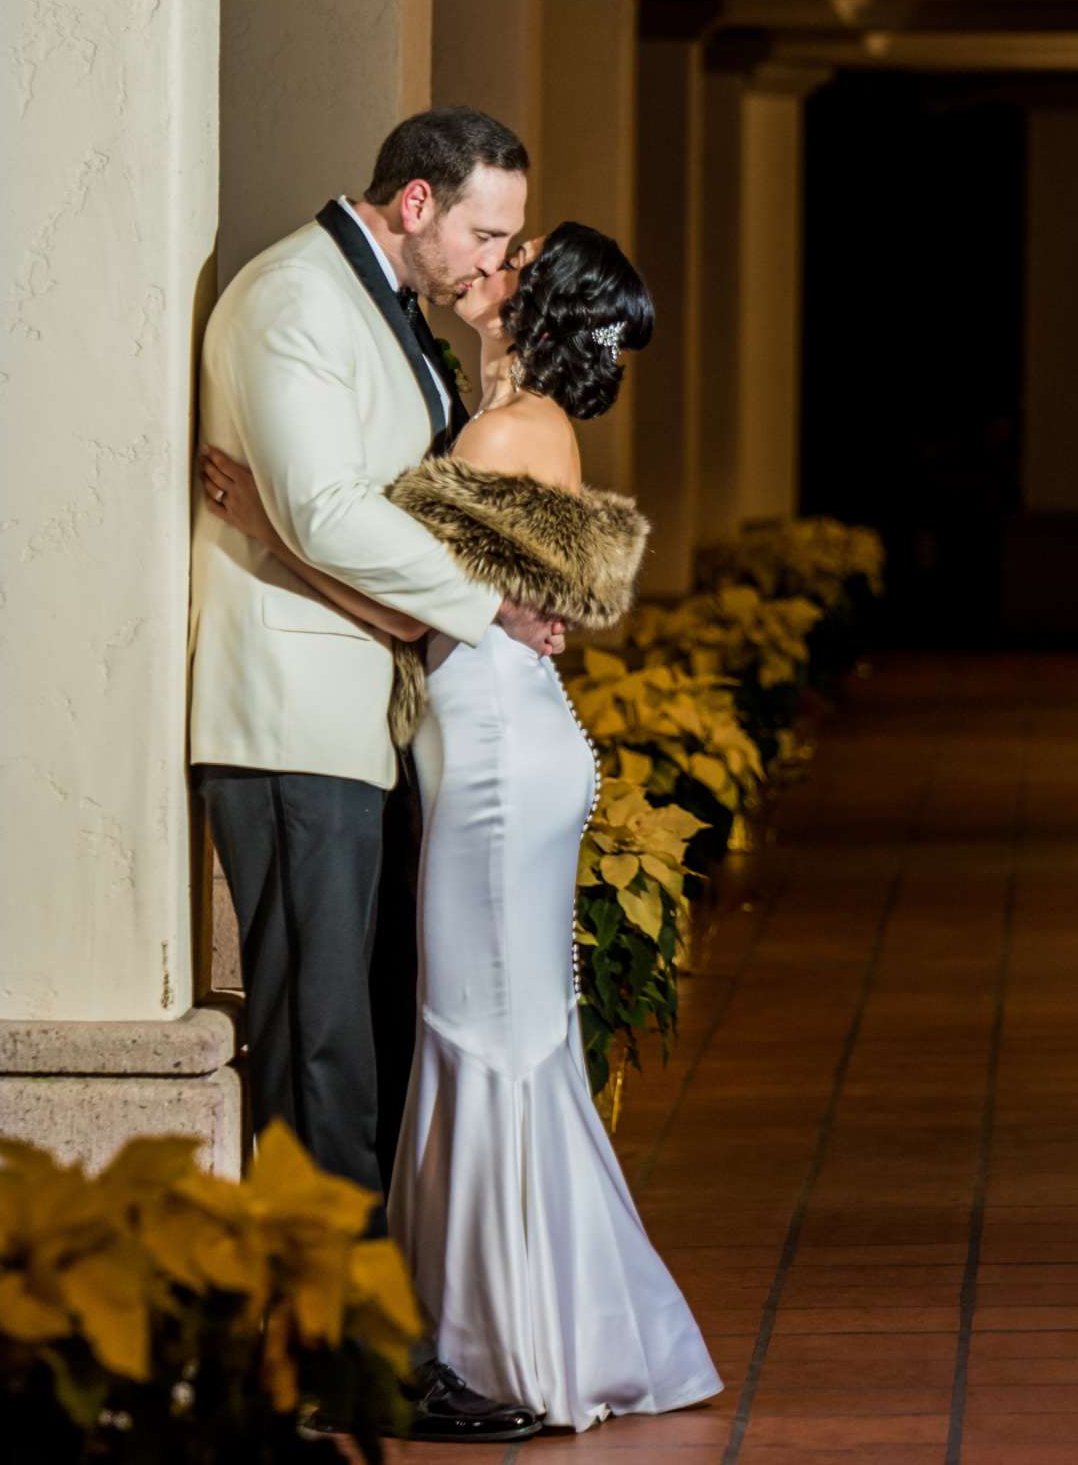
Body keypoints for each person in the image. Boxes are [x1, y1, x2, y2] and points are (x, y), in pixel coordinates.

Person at [201, 221, 723, 1432]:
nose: (490, 266)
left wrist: (266, 528)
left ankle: (510, 1346)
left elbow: (412, 607)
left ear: (533, 306)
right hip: (505, 742)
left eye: (513, 258)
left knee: (478, 1039)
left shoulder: (499, 431)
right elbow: (488, 604)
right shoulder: (505, 422)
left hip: (493, 755)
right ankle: (523, 1320)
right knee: (499, 1037)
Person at [187, 106, 558, 1445]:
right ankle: (330, 1368)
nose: (494, 261)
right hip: (290, 723)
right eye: (485, 231)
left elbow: (379, 508)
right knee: (321, 1056)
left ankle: (370, 1347)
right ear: (414, 202)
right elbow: (329, 509)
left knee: (374, 1046)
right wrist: (489, 602)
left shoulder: (395, 304)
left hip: (368, 708)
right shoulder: (289, 295)